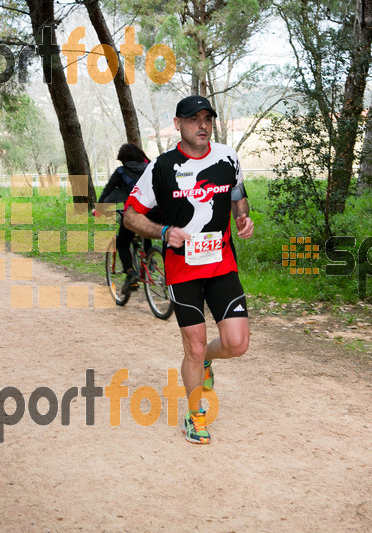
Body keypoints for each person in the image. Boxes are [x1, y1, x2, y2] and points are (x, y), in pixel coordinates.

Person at [124, 95, 254, 444]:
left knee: (237, 344)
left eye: (207, 119)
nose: (202, 125)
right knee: (193, 348)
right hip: (182, 271)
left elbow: (237, 189)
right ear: (178, 124)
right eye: (193, 119)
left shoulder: (227, 156)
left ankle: (206, 362)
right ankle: (195, 416)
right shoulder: (162, 168)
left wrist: (242, 215)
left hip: (222, 264)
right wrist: (164, 231)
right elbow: (131, 215)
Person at [98, 143, 151, 294]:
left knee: (122, 242)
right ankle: (151, 258)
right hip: (156, 213)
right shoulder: (150, 167)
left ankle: (131, 273)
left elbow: (109, 189)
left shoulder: (121, 172)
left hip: (134, 214)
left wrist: (100, 207)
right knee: (147, 228)